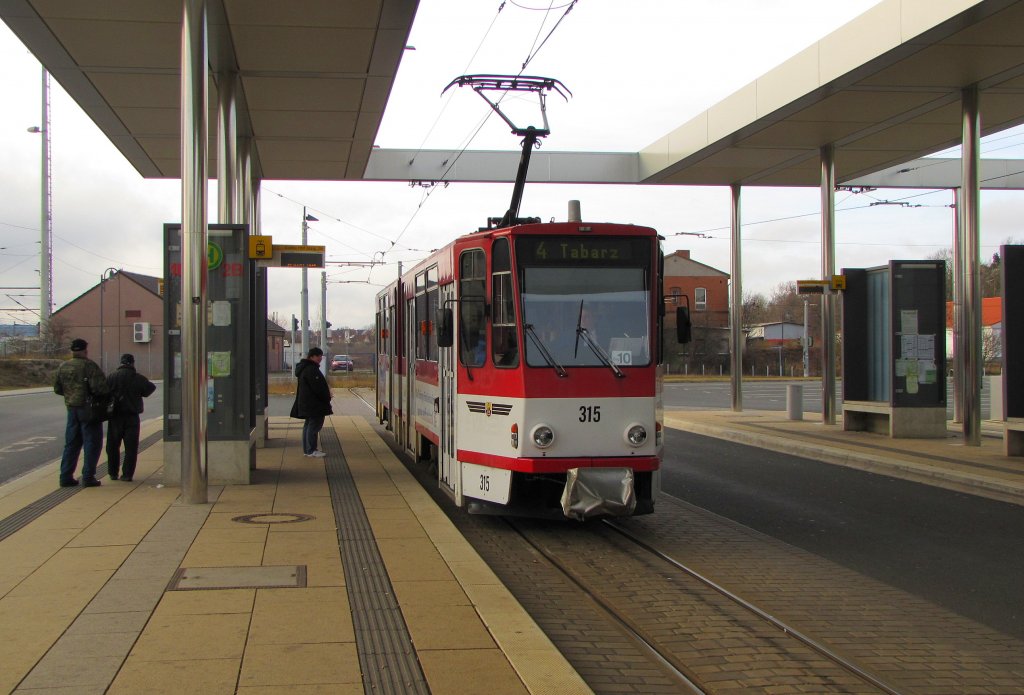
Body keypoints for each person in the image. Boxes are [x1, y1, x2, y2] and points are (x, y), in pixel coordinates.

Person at [53, 338, 109, 488]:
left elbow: (58, 389)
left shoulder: (63, 366)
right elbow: (100, 388)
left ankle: (65, 476)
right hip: (88, 409)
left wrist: (71, 394)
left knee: (71, 443)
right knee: (92, 443)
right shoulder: (89, 366)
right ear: (85, 350)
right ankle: (88, 476)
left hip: (71, 409)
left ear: (72, 351)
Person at [105, 353, 156, 482]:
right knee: (131, 448)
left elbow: (103, 392)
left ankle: (112, 472)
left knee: (112, 446)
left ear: (121, 363)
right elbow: (150, 389)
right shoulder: (138, 378)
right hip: (132, 417)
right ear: (132, 363)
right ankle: (127, 474)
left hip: (115, 416)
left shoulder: (111, 377)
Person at [291, 347, 333, 457]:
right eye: (318, 355)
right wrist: (327, 397)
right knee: (314, 426)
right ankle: (311, 450)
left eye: (321, 356)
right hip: (314, 404)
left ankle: (307, 450)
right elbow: (318, 388)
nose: (320, 358)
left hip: (308, 403)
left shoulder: (305, 368)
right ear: (312, 356)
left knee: (308, 425)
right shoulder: (311, 369)